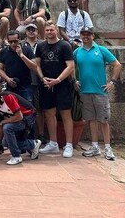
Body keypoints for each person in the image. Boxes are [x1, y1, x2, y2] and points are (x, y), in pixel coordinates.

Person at [73, 27, 121, 160]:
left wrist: (112, 82)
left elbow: (117, 65)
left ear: (92, 36)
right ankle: (95, 146)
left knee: (103, 120)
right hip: (84, 91)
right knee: (91, 120)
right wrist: (74, 80)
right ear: (80, 36)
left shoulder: (101, 50)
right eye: (83, 34)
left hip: (100, 91)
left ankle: (108, 148)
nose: (86, 36)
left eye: (88, 34)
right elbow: (70, 66)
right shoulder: (77, 52)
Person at [35, 21, 76, 157]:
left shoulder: (65, 45)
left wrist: (58, 80)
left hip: (62, 84)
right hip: (46, 84)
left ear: (56, 31)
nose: (49, 32)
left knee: (65, 113)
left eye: (51, 30)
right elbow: (37, 65)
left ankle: (69, 144)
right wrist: (42, 78)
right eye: (47, 30)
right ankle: (53, 143)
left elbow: (70, 66)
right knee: (49, 113)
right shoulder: (40, 46)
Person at [0, 92, 41, 166]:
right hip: (18, 119)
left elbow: (19, 116)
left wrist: (1, 122)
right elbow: (0, 128)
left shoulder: (8, 97)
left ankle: (16, 156)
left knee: (7, 128)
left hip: (28, 115)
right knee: (5, 142)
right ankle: (33, 144)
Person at [0, 28, 36, 102]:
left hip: (25, 85)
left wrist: (22, 55)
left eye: (15, 41)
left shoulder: (27, 49)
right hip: (11, 84)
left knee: (27, 106)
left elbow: (34, 67)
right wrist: (8, 79)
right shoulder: (4, 51)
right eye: (10, 42)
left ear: (19, 39)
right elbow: (0, 69)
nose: (13, 44)